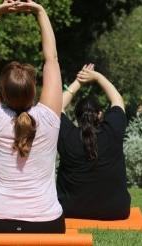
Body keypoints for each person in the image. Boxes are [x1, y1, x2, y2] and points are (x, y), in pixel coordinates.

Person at [0, 0, 64, 233]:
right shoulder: (49, 116)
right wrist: (40, 12)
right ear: (34, 91)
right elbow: (51, 59)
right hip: (46, 223)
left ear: (1, 92)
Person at [56, 64, 131, 220]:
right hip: (115, 211)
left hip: (69, 209)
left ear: (76, 116)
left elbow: (57, 106)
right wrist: (97, 77)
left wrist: (78, 82)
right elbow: (117, 100)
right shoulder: (113, 131)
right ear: (100, 114)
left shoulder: (67, 135)